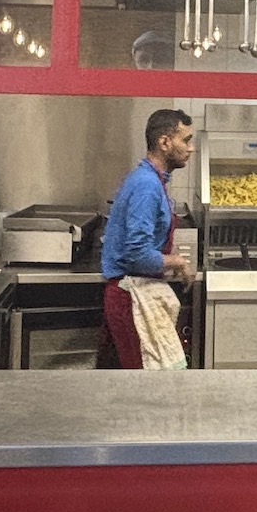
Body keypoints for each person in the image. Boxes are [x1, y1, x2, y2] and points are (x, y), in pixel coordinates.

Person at [97, 109, 196, 369]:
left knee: (121, 382)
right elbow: (137, 254)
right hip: (131, 300)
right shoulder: (146, 185)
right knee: (143, 389)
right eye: (185, 140)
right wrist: (176, 261)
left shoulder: (151, 180)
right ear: (165, 142)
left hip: (129, 296)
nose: (191, 148)